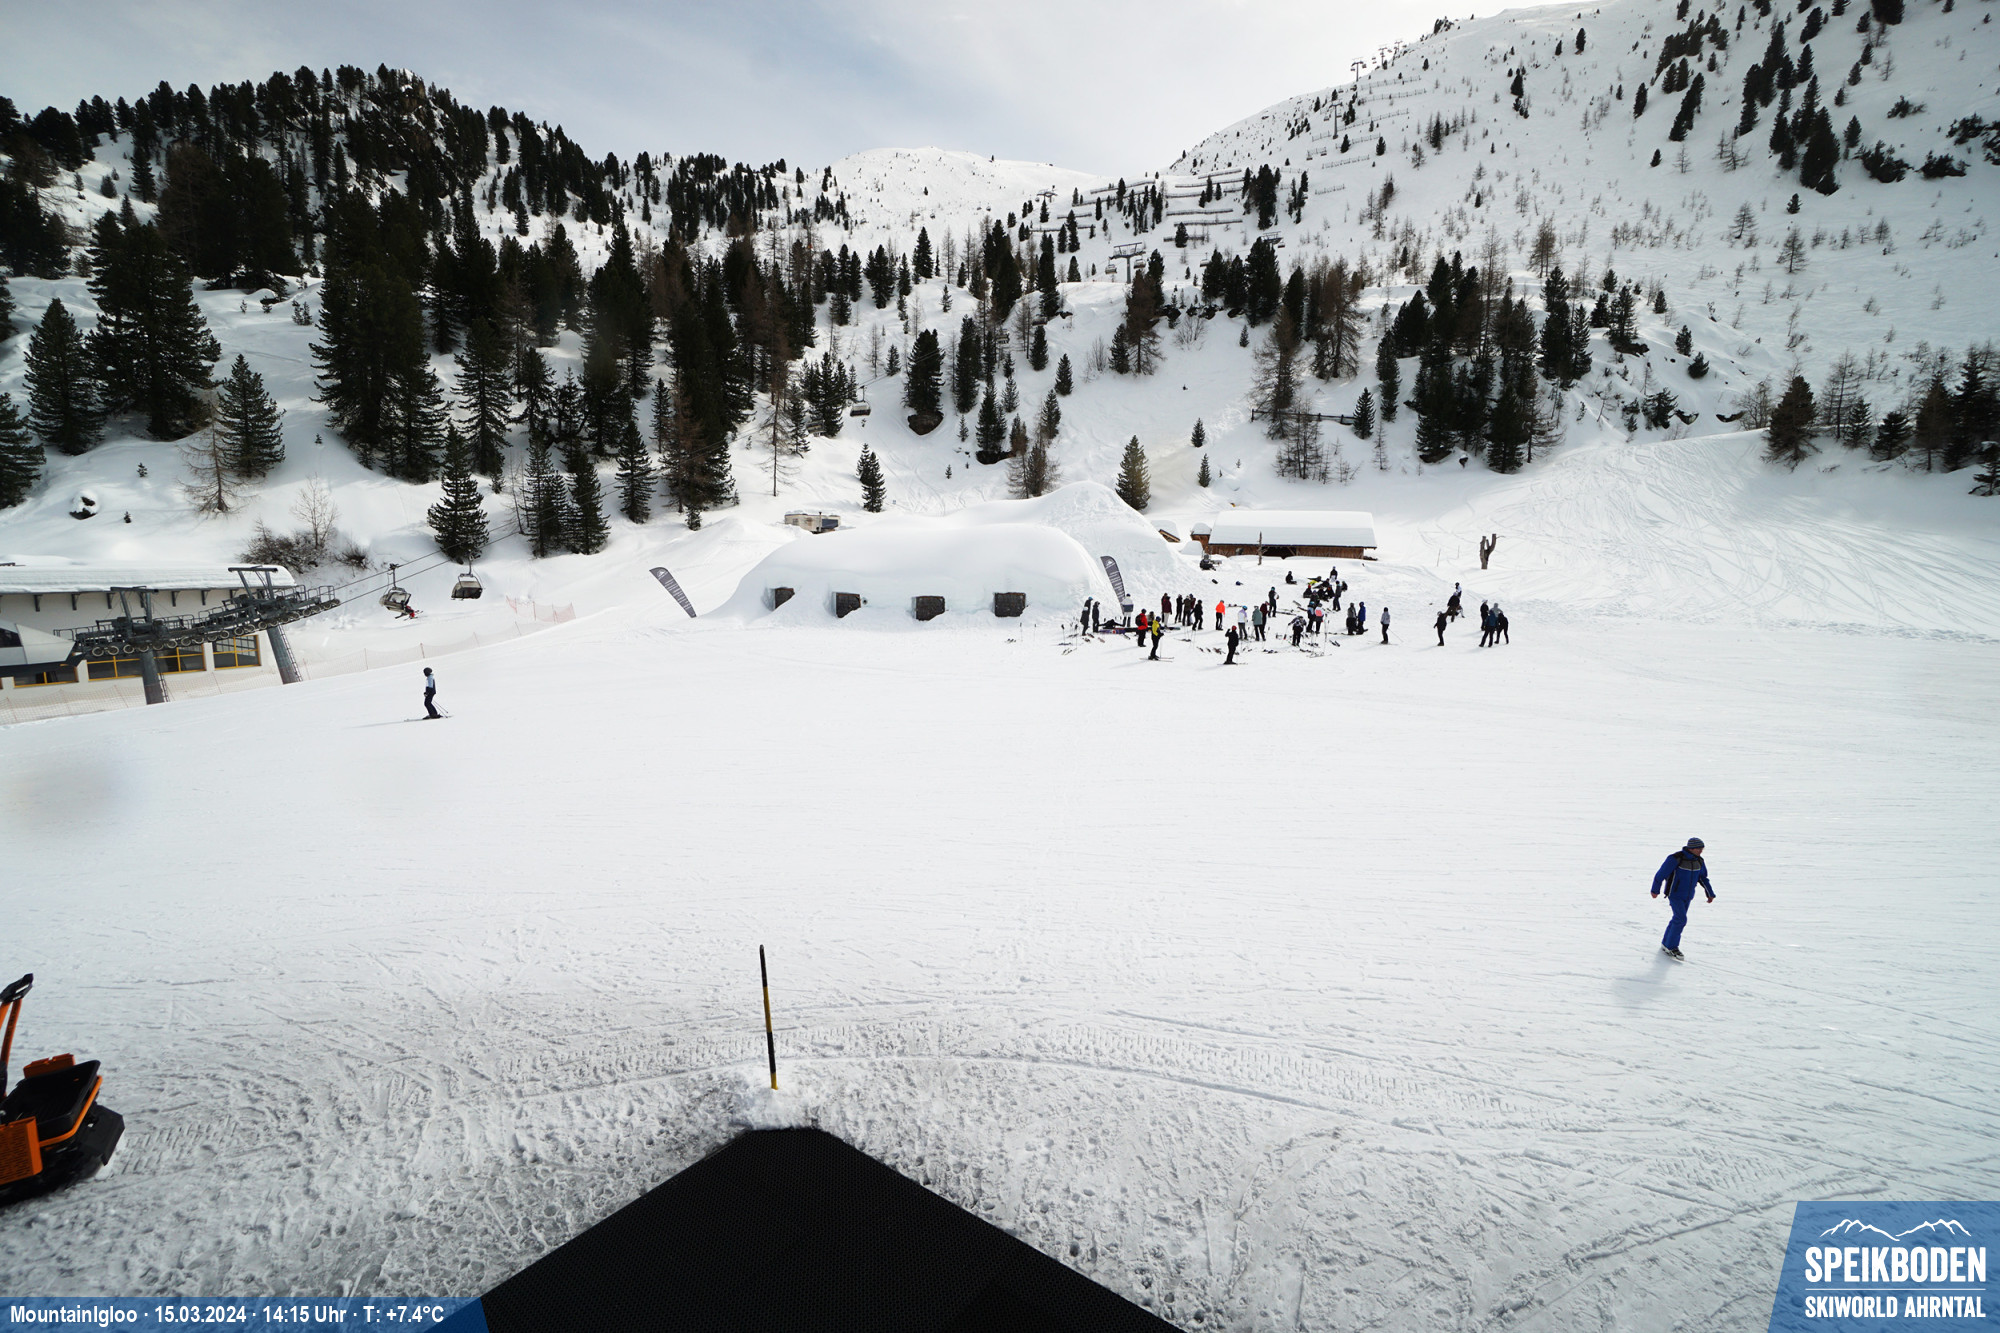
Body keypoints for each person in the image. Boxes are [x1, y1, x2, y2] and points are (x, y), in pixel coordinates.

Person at [1650, 838, 1716, 959]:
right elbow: (1660, 874)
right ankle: (1672, 947)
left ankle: (1666, 943)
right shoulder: (1675, 858)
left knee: (1677, 919)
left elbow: (1703, 878)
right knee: (1681, 919)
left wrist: (1709, 893)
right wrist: (1655, 890)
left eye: (1702, 849)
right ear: (1691, 848)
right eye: (1699, 849)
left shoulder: (1699, 861)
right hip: (1675, 894)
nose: (1701, 851)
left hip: (1688, 895)